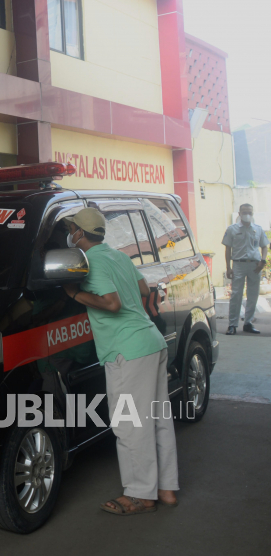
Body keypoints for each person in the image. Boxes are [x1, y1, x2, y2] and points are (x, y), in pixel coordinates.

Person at [62, 208, 178, 516]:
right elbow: (142, 289)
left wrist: (75, 294)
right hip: (151, 342)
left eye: (71, 228)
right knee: (158, 420)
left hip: (128, 351)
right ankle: (166, 489)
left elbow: (111, 304)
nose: (69, 233)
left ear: (79, 234)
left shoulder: (93, 262)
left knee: (129, 424)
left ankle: (141, 494)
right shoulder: (118, 256)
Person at [222, 203, 269, 335]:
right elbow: (228, 249)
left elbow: (265, 246)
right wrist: (228, 267)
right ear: (239, 213)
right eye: (244, 212)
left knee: (253, 294)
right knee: (236, 294)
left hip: (255, 265)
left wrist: (263, 261)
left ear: (252, 214)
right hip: (238, 264)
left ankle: (248, 323)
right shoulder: (232, 229)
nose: (247, 215)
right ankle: (232, 325)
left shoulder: (258, 229)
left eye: (249, 212)